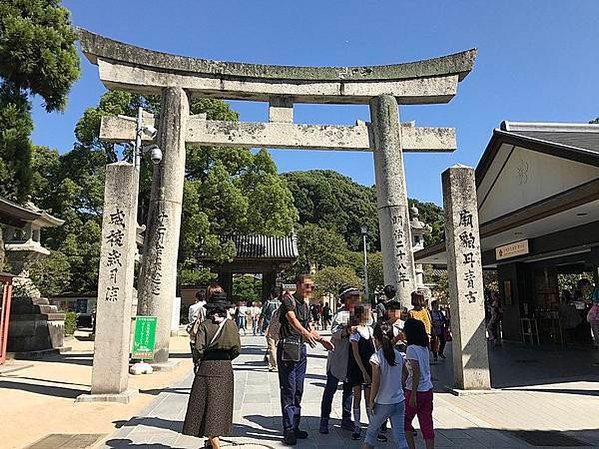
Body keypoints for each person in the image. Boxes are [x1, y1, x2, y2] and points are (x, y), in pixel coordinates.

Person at [278, 275, 333, 445]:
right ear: (298, 285)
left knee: (298, 389)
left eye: (312, 287)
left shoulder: (306, 306)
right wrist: (306, 334)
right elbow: (292, 320)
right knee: (289, 388)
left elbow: (310, 327)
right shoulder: (289, 301)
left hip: (301, 349)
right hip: (288, 348)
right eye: (307, 286)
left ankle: (295, 426)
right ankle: (288, 429)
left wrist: (322, 339)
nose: (310, 290)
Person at [182, 292, 241, 449]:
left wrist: (198, 358)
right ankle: (213, 439)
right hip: (225, 367)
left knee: (206, 404)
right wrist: (226, 358)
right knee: (220, 405)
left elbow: (199, 349)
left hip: (207, 366)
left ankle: (213, 440)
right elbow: (237, 349)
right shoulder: (231, 324)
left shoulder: (204, 325)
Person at [360, 321, 409, 449]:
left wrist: (371, 401)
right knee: (400, 438)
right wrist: (398, 383)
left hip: (382, 402)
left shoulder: (376, 357)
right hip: (398, 401)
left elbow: (376, 382)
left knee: (370, 436)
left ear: (376, 339)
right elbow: (406, 374)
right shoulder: (398, 355)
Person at [320, 285, 360, 435]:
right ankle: (324, 419)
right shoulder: (340, 315)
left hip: (353, 357)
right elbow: (334, 332)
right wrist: (346, 331)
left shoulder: (361, 313)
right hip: (338, 356)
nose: (355, 300)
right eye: (352, 297)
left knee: (348, 390)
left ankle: (346, 418)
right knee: (331, 388)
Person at [403, 318, 434, 449]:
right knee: (426, 423)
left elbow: (416, 372)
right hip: (428, 389)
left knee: (405, 421)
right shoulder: (424, 348)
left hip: (414, 390)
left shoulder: (411, 349)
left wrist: (413, 395)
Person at [348, 304, 376, 440]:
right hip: (357, 368)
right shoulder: (355, 332)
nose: (371, 314)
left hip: (370, 367)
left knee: (369, 398)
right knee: (357, 397)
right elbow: (355, 353)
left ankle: (372, 425)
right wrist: (363, 371)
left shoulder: (370, 330)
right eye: (369, 312)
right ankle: (357, 425)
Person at [188, 284, 223, 366]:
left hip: (204, 340)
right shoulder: (226, 310)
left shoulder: (201, 308)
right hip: (220, 344)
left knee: (201, 366)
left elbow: (191, 320)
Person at [261, 288, 282, 371]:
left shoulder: (268, 303)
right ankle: (273, 359)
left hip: (269, 324)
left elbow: (263, 313)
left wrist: (261, 323)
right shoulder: (280, 304)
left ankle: (273, 363)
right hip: (279, 325)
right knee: (277, 344)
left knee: (271, 345)